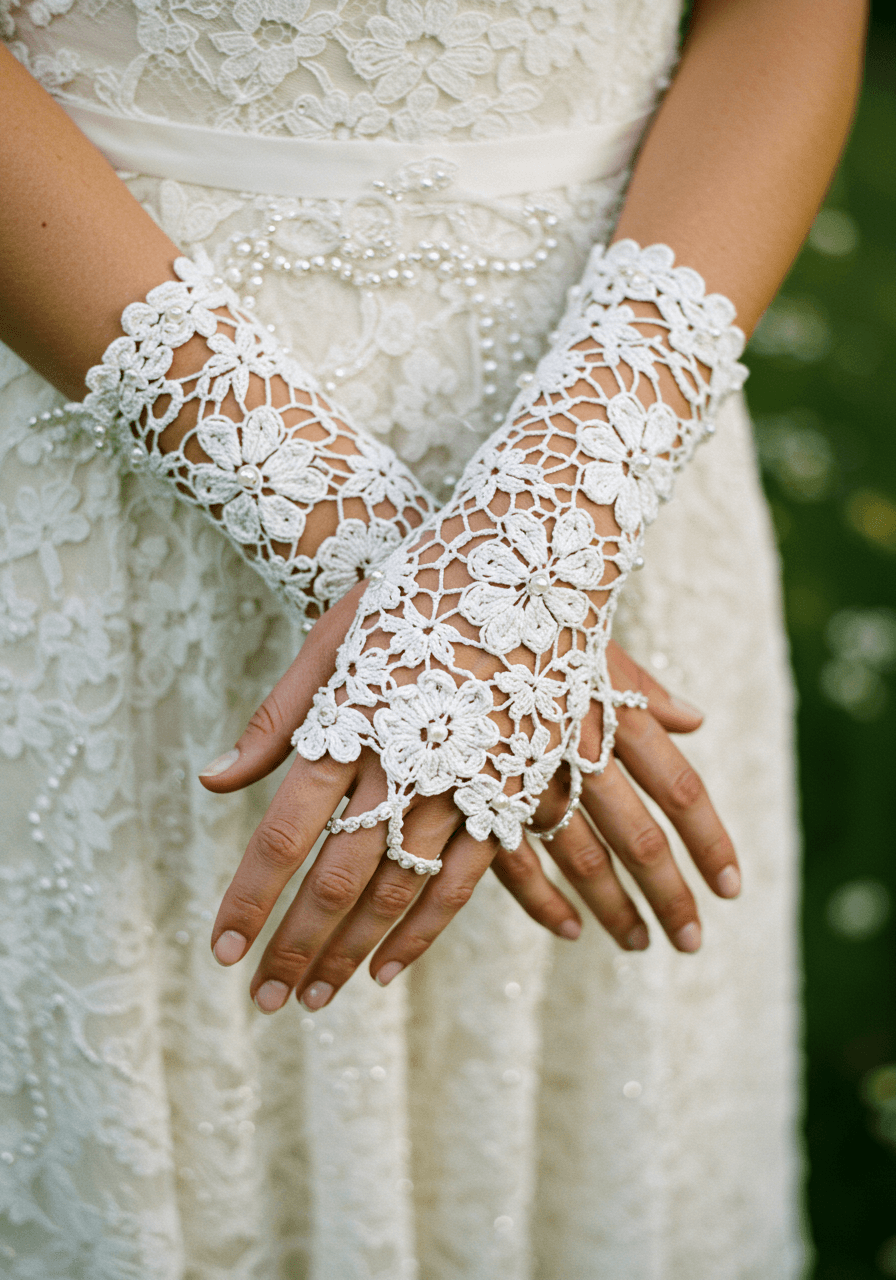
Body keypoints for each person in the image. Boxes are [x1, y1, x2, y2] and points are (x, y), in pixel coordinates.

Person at [0, 0, 865, 1275]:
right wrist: (350, 533)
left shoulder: (575, 503)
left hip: (609, 429)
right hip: (116, 426)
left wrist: (548, 532)